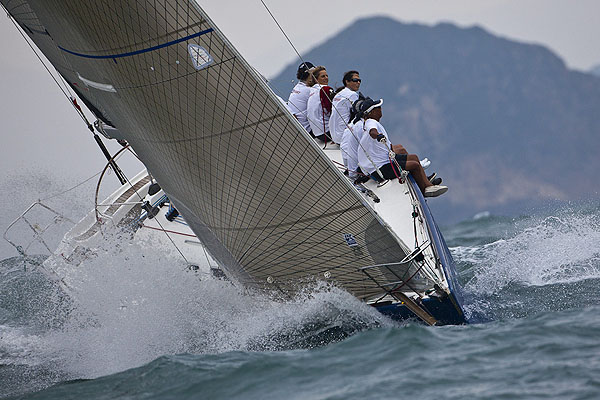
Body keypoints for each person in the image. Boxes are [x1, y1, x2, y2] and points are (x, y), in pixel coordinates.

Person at [357, 98, 448, 197]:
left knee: (414, 157)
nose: (380, 109)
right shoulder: (371, 122)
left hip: (384, 161)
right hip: (381, 170)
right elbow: (372, 132)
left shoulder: (371, 122)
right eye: (378, 108)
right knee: (415, 165)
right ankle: (425, 190)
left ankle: (425, 181)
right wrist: (378, 136)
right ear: (372, 112)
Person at [330, 70, 361, 145]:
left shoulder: (338, 94)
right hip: (343, 137)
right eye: (355, 80)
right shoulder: (352, 95)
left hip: (334, 136)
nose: (358, 82)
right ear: (347, 82)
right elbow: (357, 113)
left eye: (359, 80)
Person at [306, 66, 335, 143]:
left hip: (317, 134)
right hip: (327, 133)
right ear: (316, 79)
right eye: (323, 76)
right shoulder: (325, 89)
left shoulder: (312, 90)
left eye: (327, 75)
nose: (326, 78)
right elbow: (333, 110)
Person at [287, 61, 315, 135]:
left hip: (300, 129)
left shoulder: (298, 87)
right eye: (314, 73)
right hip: (308, 130)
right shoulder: (308, 90)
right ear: (309, 75)